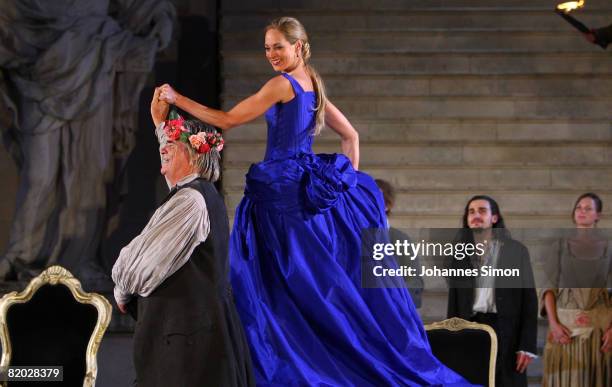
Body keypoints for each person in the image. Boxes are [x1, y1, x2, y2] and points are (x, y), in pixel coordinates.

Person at [158, 16, 473, 387]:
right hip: (300, 190)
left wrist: (177, 99)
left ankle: (295, 367)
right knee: (305, 283)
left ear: (299, 46)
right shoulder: (314, 85)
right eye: (267, 47)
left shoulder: (282, 84)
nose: (271, 54)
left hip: (280, 194)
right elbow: (351, 137)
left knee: (275, 285)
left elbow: (226, 120)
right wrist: (343, 188)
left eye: (278, 46)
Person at [0, 0, 174, 281]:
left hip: (95, 60)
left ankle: (81, 258)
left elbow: (137, 7)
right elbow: (17, 13)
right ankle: (22, 255)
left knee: (89, 174)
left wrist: (159, 15)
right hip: (42, 71)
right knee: (39, 177)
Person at [111, 90, 254, 387]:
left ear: (191, 155)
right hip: (188, 343)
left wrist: (123, 287)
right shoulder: (191, 195)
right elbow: (172, 148)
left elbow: (141, 267)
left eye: (170, 149)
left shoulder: (190, 201)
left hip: (188, 350)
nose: (163, 154)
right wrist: (159, 123)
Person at [447, 195, 538, 387]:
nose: (475, 216)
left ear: (494, 218)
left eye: (482, 211)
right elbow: (454, 300)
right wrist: (452, 339)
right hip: (470, 329)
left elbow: (529, 300)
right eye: (471, 212)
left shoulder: (516, 251)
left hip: (506, 330)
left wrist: (526, 345)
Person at [540, 193, 611, 387]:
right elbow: (548, 289)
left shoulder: (609, 247)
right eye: (579, 207)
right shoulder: (559, 246)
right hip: (565, 327)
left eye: (588, 208)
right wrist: (553, 324)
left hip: (600, 328)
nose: (582, 211)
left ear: (598, 215)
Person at [375, 178, 424, 308]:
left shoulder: (401, 240)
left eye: (375, 198)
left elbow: (414, 283)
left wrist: (391, 300)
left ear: (387, 205)